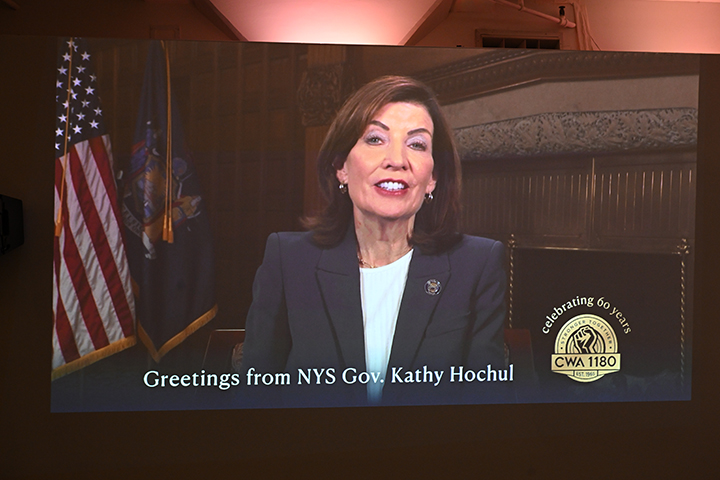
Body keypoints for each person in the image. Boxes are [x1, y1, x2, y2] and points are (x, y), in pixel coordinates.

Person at [241, 76, 508, 407]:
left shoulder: (477, 265)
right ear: (341, 166)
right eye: (375, 139)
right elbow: (255, 398)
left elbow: (486, 406)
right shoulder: (289, 260)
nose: (397, 159)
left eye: (417, 144)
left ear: (433, 178)